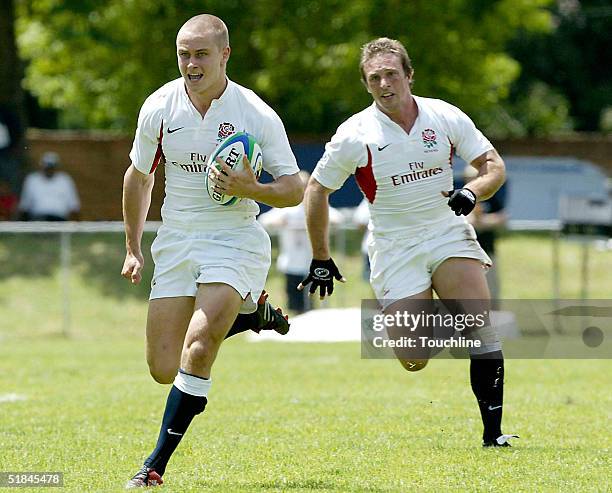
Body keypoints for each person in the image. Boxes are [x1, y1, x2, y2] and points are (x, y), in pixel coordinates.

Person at [300, 37, 517, 448]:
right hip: (394, 246)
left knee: (481, 327)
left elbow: (493, 167)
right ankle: (426, 316)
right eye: (374, 77)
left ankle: (494, 435)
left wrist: (472, 192)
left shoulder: (444, 116)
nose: (384, 84)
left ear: (409, 75)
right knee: (414, 358)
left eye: (391, 74)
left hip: (445, 231)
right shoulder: (355, 134)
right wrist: (321, 257)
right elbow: (315, 190)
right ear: (366, 84)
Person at [121, 14, 303, 488]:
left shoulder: (255, 114)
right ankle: (254, 317)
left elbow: (294, 187)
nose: (191, 63)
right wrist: (133, 247)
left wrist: (251, 187)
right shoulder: (159, 107)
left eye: (201, 53)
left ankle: (154, 466)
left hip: (234, 239)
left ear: (225, 54)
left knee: (198, 350)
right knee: (164, 367)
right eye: (184, 53)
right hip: (178, 239)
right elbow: (139, 178)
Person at [258, 171, 343, 314]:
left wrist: (323, 222)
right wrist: (280, 222)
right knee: (294, 303)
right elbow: (265, 220)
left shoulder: (316, 207)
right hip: (291, 263)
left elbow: (338, 218)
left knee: (311, 301)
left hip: (312, 263)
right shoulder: (288, 209)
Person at [462, 165, 508, 304]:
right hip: (465, 255)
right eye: (469, 178)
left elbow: (502, 218)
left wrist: (482, 221)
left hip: (488, 252)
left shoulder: (490, 198)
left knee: (491, 293)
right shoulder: (459, 198)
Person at [18, 152, 80, 221]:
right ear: (43, 166)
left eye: (52, 167)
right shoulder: (33, 179)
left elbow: (74, 206)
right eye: (47, 166)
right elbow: (24, 206)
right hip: (38, 219)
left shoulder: (64, 180)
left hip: (59, 219)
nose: (49, 169)